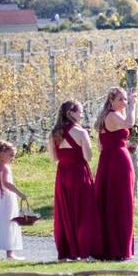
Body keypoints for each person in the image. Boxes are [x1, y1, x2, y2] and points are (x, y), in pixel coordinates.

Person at [49, 100, 103, 260]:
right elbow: (88, 156)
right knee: (84, 212)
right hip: (79, 173)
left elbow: (53, 158)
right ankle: (85, 250)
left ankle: (67, 251)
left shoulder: (54, 133)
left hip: (63, 175)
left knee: (66, 212)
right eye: (80, 111)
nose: (82, 114)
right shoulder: (80, 132)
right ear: (71, 113)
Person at [95, 86, 137, 261]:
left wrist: (123, 146)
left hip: (111, 159)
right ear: (111, 100)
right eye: (121, 99)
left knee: (114, 200)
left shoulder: (108, 117)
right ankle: (117, 247)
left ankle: (115, 244)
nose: (124, 102)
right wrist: (133, 106)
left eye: (126, 99)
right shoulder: (112, 116)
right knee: (119, 201)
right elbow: (129, 123)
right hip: (117, 162)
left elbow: (102, 144)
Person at [0, 141, 26, 259]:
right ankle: (10, 253)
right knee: (9, 223)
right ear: (2, 153)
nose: (13, 157)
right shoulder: (5, 168)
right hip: (6, 199)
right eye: (11, 155)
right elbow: (7, 183)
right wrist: (19, 193)